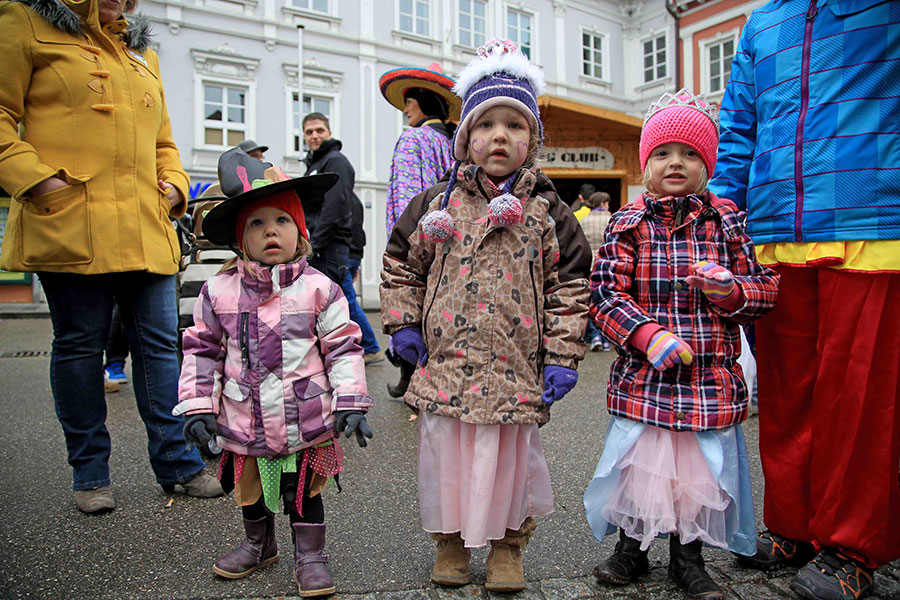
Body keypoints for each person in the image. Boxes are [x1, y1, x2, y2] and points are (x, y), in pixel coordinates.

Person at [380, 38, 592, 592]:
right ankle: (449, 543)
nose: (500, 136)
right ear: (465, 139)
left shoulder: (548, 212)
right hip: (446, 366)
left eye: (515, 125)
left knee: (510, 467)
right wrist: (403, 324)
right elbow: (401, 266)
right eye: (487, 124)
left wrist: (563, 355)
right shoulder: (436, 204)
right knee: (446, 462)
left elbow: (571, 287)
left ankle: (507, 548)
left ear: (533, 140)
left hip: (514, 372)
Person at [0, 0, 222, 514]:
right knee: (81, 346)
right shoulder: (25, 22)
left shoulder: (140, 50)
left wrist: (175, 185)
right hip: (72, 219)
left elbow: (163, 141)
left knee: (161, 347)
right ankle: (90, 474)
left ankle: (179, 464)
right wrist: (38, 181)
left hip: (145, 222)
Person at [709, 3, 900, 598]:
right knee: (786, 392)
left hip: (870, 219)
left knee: (858, 397)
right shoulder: (763, 22)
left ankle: (852, 544)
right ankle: (792, 525)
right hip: (774, 231)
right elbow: (739, 126)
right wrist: (718, 213)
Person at [583, 88, 779, 600]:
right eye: (664, 152)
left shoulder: (726, 221)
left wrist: (732, 292)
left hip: (707, 380)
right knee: (640, 469)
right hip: (646, 377)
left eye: (691, 153)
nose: (676, 162)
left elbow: (764, 288)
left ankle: (687, 559)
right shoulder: (628, 223)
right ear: (646, 165)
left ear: (707, 166)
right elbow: (604, 292)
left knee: (696, 476)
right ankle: (631, 549)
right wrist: (644, 334)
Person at [176, 147, 373, 597]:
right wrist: (198, 405)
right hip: (244, 415)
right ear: (239, 239)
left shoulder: (320, 288)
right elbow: (201, 349)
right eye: (256, 223)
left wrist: (350, 400)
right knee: (249, 489)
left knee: (302, 490)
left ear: (300, 232)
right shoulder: (217, 290)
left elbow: (343, 346)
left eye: (282, 220)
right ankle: (258, 543)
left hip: (305, 416)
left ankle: (311, 555)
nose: (270, 231)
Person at [379, 61, 460, 398]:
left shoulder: (412, 139)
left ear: (423, 103)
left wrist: (401, 242)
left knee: (412, 301)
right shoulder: (454, 143)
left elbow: (406, 195)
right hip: (452, 237)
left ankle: (410, 374)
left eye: (409, 102)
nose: (405, 109)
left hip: (419, 237)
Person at [299, 114, 354, 286]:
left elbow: (335, 208)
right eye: (309, 132)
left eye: (319, 130)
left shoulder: (335, 162)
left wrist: (313, 246)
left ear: (329, 133)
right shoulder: (315, 165)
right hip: (319, 247)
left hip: (327, 248)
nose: (314, 136)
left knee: (327, 300)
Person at [344, 191, 384, 364]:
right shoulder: (354, 199)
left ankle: (371, 347)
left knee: (348, 302)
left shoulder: (339, 197)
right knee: (347, 302)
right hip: (352, 255)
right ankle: (366, 346)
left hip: (345, 256)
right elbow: (358, 232)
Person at [578, 191, 612, 351]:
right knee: (606, 299)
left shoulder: (584, 221)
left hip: (588, 263)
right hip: (607, 263)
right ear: (603, 203)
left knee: (589, 300)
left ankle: (595, 335)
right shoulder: (611, 219)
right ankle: (606, 339)